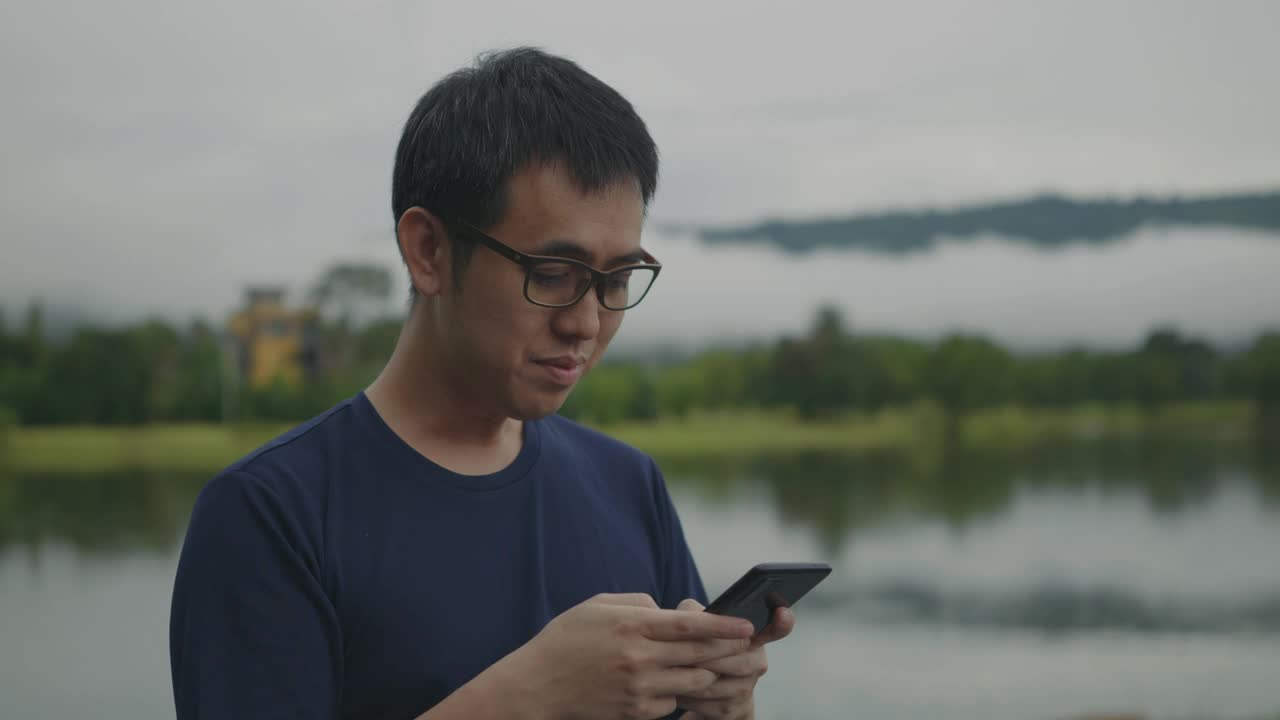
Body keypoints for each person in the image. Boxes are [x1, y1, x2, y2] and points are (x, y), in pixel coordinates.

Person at [169, 47, 795, 720]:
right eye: (554, 273)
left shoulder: (627, 485)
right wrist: (529, 697)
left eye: (616, 281)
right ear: (430, 251)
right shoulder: (272, 515)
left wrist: (725, 707)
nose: (586, 322)